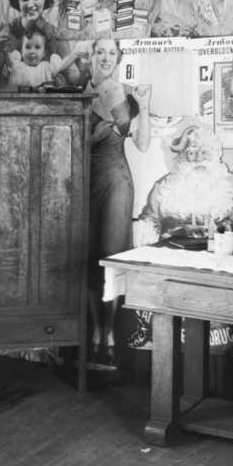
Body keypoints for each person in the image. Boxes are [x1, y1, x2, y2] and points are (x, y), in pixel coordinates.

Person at [81, 37, 152, 366]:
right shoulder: (82, 89)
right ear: (92, 56)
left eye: (112, 52)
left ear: (120, 57)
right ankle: (96, 331)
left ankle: (109, 334)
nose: (106, 57)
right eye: (100, 52)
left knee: (110, 256)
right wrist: (90, 137)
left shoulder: (121, 92)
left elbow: (141, 143)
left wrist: (145, 107)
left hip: (116, 182)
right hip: (84, 182)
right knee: (90, 258)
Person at [0, 0, 61, 89]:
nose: (30, 4)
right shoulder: (7, 31)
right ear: (18, 1)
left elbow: (67, 79)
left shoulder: (52, 33)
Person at [2, 23, 88, 91]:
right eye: (28, 47)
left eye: (37, 47)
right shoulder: (17, 66)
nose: (32, 51)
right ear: (21, 50)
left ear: (44, 53)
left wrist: (75, 54)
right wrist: (5, 50)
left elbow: (62, 65)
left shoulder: (46, 67)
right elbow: (9, 61)